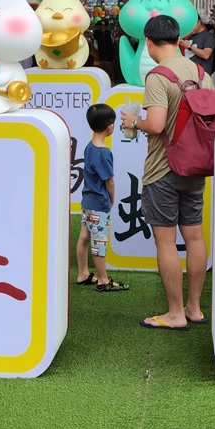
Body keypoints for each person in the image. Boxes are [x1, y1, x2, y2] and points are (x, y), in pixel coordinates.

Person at [120, 14, 208, 331]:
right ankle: (194, 308)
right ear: (177, 39)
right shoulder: (200, 72)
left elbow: (156, 125)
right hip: (196, 166)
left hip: (163, 169)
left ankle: (174, 314)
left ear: (148, 42)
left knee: (166, 242)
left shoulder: (158, 76)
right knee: (194, 236)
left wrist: (133, 122)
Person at [76, 104, 128, 292]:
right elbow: (109, 181)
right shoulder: (104, 153)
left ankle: (82, 273)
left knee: (84, 237)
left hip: (87, 201)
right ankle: (103, 279)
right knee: (99, 243)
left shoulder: (89, 147)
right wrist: (112, 199)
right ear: (109, 127)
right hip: (99, 203)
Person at [180, 15, 215, 89]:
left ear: (199, 22)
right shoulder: (189, 37)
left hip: (202, 79)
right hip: (188, 78)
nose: (190, 27)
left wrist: (190, 46)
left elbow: (206, 55)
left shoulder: (208, 36)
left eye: (192, 25)